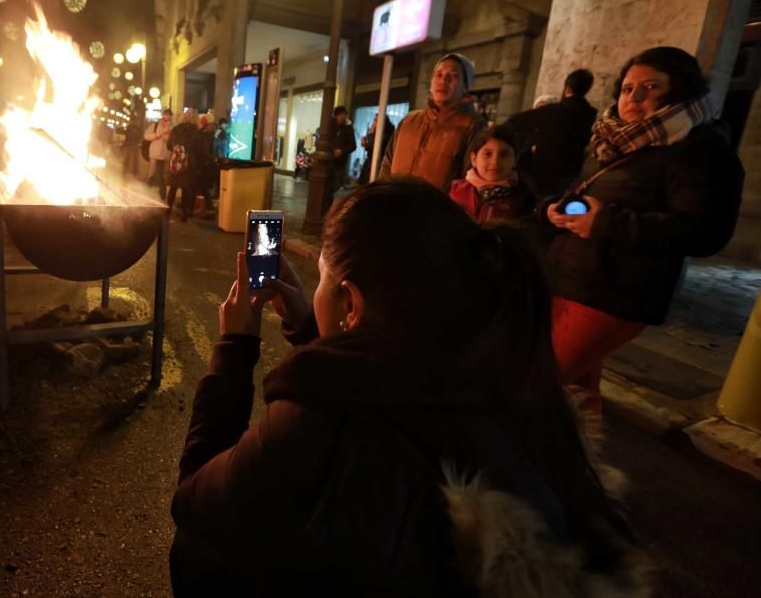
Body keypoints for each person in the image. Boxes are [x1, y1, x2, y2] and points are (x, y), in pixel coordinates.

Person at [170, 179, 647, 596]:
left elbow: (193, 498)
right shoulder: (506, 377)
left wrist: (234, 347)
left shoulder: (316, 424)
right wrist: (314, 328)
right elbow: (380, 375)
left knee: (197, 553)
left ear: (350, 304)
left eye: (323, 279)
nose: (315, 291)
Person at [542, 47, 744, 418]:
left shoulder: (699, 148)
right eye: (627, 88)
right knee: (577, 389)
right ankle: (581, 460)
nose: (633, 97)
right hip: (572, 278)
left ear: (680, 90)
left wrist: (605, 223)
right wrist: (556, 208)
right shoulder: (614, 141)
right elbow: (589, 193)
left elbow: (705, 231)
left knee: (536, 383)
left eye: (650, 87)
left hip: (613, 293)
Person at [378, 53, 486, 189]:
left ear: (465, 87)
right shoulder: (409, 120)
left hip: (434, 208)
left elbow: (469, 180)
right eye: (438, 75)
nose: (443, 81)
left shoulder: (472, 125)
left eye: (453, 76)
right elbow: (387, 164)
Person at [506, 68, 599, 198]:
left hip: (545, 177)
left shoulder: (553, 112)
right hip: (573, 175)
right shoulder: (590, 116)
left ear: (567, 88)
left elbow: (513, 123)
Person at [448, 125, 534, 224]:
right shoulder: (454, 191)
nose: (495, 162)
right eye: (487, 154)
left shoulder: (523, 197)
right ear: (474, 159)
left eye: (504, 154)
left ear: (515, 160)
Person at [166, 110, 200, 221]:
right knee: (186, 189)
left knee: (173, 188)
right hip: (189, 164)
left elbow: (168, 145)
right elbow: (198, 149)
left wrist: (178, 151)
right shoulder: (196, 131)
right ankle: (185, 215)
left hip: (176, 162)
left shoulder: (175, 129)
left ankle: (167, 212)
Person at [326, 105, 357, 198]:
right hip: (328, 161)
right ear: (336, 116)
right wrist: (332, 150)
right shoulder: (329, 126)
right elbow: (323, 140)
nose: (343, 117)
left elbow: (353, 146)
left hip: (340, 163)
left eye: (344, 115)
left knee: (336, 187)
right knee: (326, 186)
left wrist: (342, 151)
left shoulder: (348, 128)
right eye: (340, 115)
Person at [358, 112, 394, 184]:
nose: (374, 122)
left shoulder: (386, 135)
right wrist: (365, 143)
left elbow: (374, 147)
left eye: (376, 120)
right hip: (370, 163)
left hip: (377, 165)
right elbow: (370, 147)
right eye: (374, 120)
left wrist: (371, 134)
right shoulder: (379, 133)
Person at [145, 108, 173, 200]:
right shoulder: (155, 125)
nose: (167, 116)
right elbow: (146, 136)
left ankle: (162, 196)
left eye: (169, 115)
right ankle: (146, 193)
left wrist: (168, 138)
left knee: (163, 176)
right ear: (162, 115)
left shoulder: (172, 127)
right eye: (166, 114)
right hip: (154, 153)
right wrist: (157, 135)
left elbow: (173, 141)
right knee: (152, 174)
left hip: (165, 155)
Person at [195, 113, 217, 216]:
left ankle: (207, 207)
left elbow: (205, 151)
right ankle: (204, 207)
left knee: (202, 187)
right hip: (206, 163)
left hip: (204, 164)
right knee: (201, 187)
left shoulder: (206, 134)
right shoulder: (208, 133)